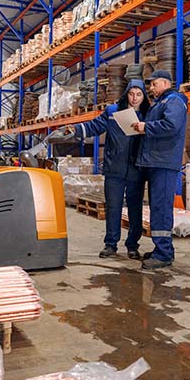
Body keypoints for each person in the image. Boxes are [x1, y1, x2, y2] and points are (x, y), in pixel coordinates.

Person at [63, 79, 150, 259]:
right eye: (131, 94)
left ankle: (132, 245)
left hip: (136, 169)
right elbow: (94, 126)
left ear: (143, 96)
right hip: (114, 168)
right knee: (113, 207)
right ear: (126, 94)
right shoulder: (113, 112)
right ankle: (111, 244)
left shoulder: (148, 114)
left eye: (139, 95)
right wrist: (76, 129)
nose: (134, 98)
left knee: (135, 209)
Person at [132, 69, 188, 270]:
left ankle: (163, 254)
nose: (151, 88)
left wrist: (145, 127)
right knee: (157, 207)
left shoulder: (174, 101)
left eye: (154, 84)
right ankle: (162, 250)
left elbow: (171, 126)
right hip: (156, 162)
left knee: (162, 209)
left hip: (164, 163)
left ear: (165, 83)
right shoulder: (161, 102)